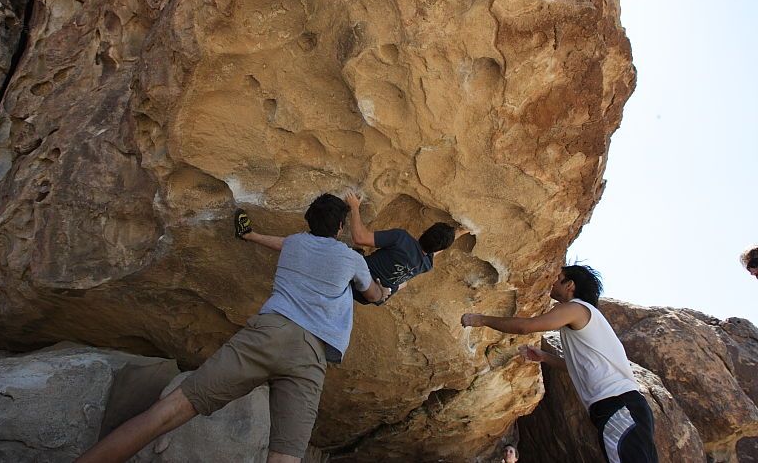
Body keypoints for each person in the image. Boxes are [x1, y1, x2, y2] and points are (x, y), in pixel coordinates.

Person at [77, 194, 387, 463]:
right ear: (340, 228)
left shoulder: (294, 243)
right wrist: (385, 290)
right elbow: (373, 295)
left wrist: (250, 236)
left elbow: (278, 243)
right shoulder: (351, 259)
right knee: (286, 456)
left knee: (167, 412)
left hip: (267, 333)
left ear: (309, 221)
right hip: (310, 354)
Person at [461, 265, 658, 463]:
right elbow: (579, 367)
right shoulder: (587, 319)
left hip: (618, 407)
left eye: (558, 277)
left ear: (569, 285)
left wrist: (481, 319)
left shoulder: (576, 309)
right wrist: (545, 357)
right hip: (622, 407)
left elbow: (524, 327)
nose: (552, 280)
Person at [236, 192, 466, 305]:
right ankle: (388, 289)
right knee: (401, 283)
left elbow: (360, 237)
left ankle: (249, 235)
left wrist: (354, 207)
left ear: (424, 232)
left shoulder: (401, 239)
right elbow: (435, 250)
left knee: (317, 250)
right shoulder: (426, 264)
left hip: (358, 281)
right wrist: (460, 233)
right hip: (373, 296)